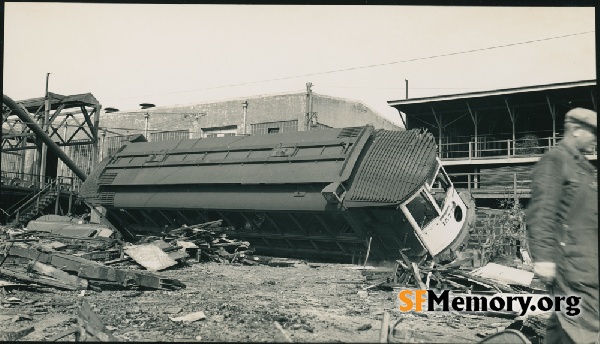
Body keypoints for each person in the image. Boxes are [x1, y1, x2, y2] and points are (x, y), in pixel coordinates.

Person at [526, 107, 598, 344]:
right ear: (576, 130)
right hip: (572, 267)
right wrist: (544, 258)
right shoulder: (555, 160)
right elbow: (542, 213)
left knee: (565, 328)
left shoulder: (584, 168)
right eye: (593, 132)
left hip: (587, 263)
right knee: (582, 330)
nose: (595, 138)